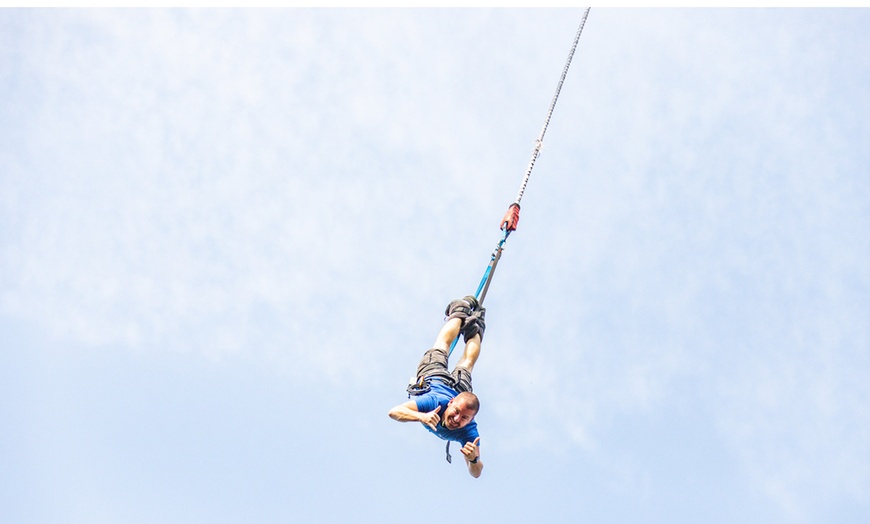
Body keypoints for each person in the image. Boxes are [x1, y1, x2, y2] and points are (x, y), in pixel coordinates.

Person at [388, 295, 486, 478]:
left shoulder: (469, 432)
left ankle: (475, 326)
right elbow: (394, 411)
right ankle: (460, 310)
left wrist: (474, 459)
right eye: (457, 411)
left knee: (467, 363)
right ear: (450, 403)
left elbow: (476, 473)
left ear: (471, 419)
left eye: (464, 418)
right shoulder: (434, 402)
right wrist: (422, 416)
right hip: (439, 380)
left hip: (452, 387)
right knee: (443, 346)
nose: (457, 419)